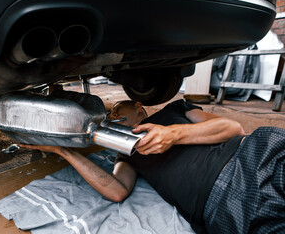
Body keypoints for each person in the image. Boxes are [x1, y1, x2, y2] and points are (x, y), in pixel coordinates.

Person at [20, 99, 285, 234]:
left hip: (256, 156)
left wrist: (174, 134)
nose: (112, 115)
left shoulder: (175, 110)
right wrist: (62, 151)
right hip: (223, 203)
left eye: (117, 108)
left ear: (138, 107)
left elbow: (232, 128)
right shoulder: (126, 154)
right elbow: (117, 191)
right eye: (109, 115)